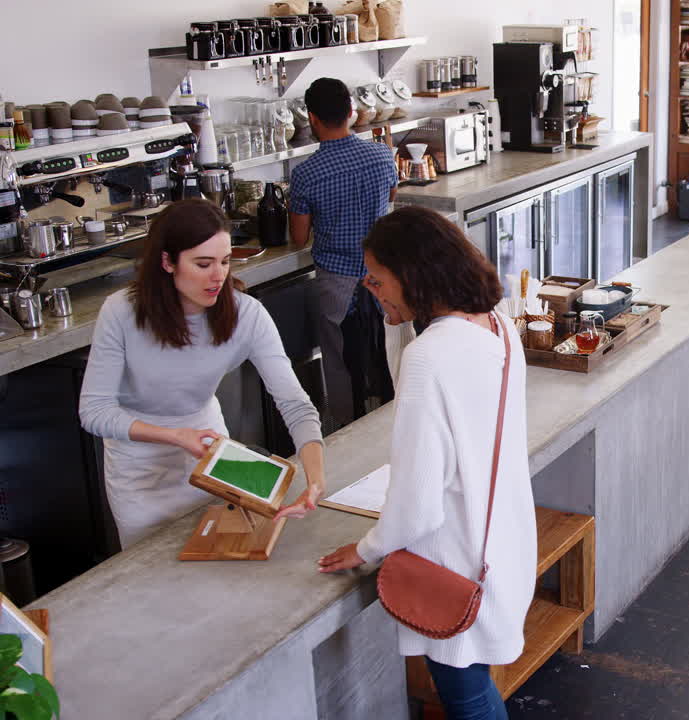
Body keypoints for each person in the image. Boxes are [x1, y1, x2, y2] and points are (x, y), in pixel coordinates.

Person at [318, 207, 535, 720]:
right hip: (503, 547)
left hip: (455, 564)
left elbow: (417, 501)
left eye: (378, 277)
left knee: (466, 700)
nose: (371, 289)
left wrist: (366, 548)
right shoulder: (499, 327)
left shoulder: (428, 357)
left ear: (412, 275)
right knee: (473, 690)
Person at [80, 200, 325, 549]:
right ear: (167, 262)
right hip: (139, 468)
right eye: (203, 264)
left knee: (218, 555)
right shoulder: (121, 312)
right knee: (149, 574)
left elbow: (295, 404)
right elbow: (94, 412)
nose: (218, 276)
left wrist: (315, 479)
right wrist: (177, 436)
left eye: (225, 261)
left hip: (210, 453)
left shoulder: (247, 315)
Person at [290, 77, 399, 428]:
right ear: (352, 113)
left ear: (312, 119)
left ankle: (345, 442)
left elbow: (298, 237)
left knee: (340, 368)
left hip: (337, 285)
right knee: (386, 357)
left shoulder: (306, 173)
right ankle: (392, 428)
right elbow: (391, 199)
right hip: (383, 279)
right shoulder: (382, 154)